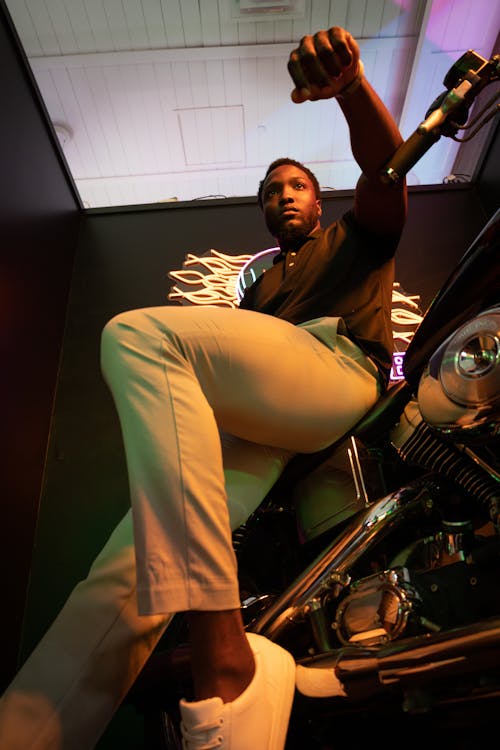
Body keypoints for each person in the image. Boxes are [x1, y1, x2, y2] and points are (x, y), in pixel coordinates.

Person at [0, 26, 407, 750]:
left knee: (139, 335)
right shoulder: (258, 299)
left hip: (335, 372)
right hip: (262, 423)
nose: (285, 196)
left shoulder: (355, 240)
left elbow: (386, 172)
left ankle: (227, 662)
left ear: (318, 203)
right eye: (272, 191)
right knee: (122, 573)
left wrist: (350, 88)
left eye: (297, 187)